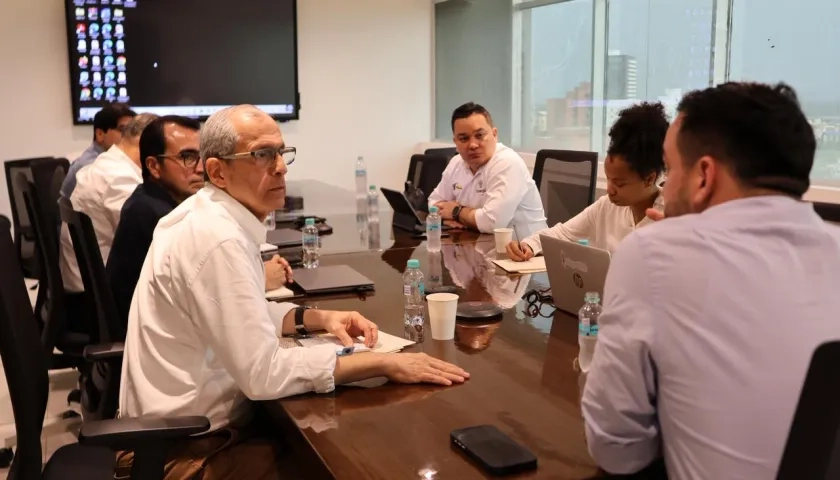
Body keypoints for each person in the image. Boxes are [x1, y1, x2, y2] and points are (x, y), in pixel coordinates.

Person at [117, 105, 469, 479]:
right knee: (349, 462)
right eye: (262, 155)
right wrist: (381, 363)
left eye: (281, 153)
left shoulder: (210, 217)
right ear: (218, 172)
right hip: (185, 453)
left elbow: (240, 310)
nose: (281, 167)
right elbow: (263, 374)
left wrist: (316, 318)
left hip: (189, 433)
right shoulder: (216, 239)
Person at [580, 82, 840, 479]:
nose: (666, 184)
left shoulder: (652, 253)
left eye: (671, 168)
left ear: (703, 175)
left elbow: (615, 449)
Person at [106, 116, 294, 327]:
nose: (199, 168)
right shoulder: (158, 214)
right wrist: (262, 277)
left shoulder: (154, 200)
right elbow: (217, 297)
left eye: (201, 157)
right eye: (187, 157)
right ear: (154, 166)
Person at [507, 102, 668, 259]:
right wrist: (529, 245)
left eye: (619, 184)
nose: (609, 190)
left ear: (649, 179)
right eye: (608, 179)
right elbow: (562, 233)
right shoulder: (606, 207)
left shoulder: (670, 217)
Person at [59, 113, 158, 295]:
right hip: (95, 294)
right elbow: (150, 241)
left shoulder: (107, 164)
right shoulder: (118, 178)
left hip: (87, 281)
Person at [428, 102, 547, 236]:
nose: (473, 145)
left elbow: (492, 223)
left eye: (479, 135)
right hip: (480, 241)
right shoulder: (456, 162)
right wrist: (446, 218)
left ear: (494, 134)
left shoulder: (507, 162)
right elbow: (434, 202)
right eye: (464, 138)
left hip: (525, 246)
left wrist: (456, 212)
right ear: (455, 142)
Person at [61, 102, 136, 198]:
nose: (130, 136)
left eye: (132, 131)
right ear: (100, 134)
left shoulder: (114, 160)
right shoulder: (92, 167)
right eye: (122, 130)